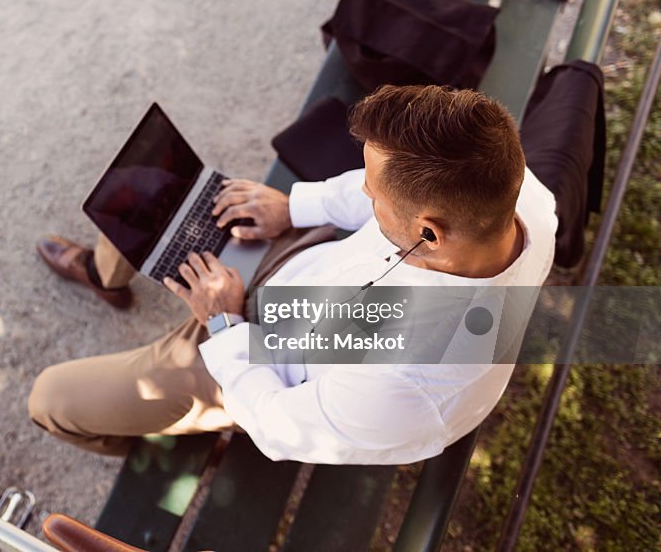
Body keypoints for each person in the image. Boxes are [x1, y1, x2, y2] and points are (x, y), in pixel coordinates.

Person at [28, 85, 557, 464]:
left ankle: (155, 445)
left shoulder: (405, 385)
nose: (365, 194)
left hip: (258, 354)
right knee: (144, 191)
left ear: (430, 233)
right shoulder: (517, 192)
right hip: (304, 254)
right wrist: (295, 207)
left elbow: (279, 427)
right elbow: (374, 189)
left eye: (375, 198)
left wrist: (223, 325)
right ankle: (106, 277)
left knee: (50, 399)